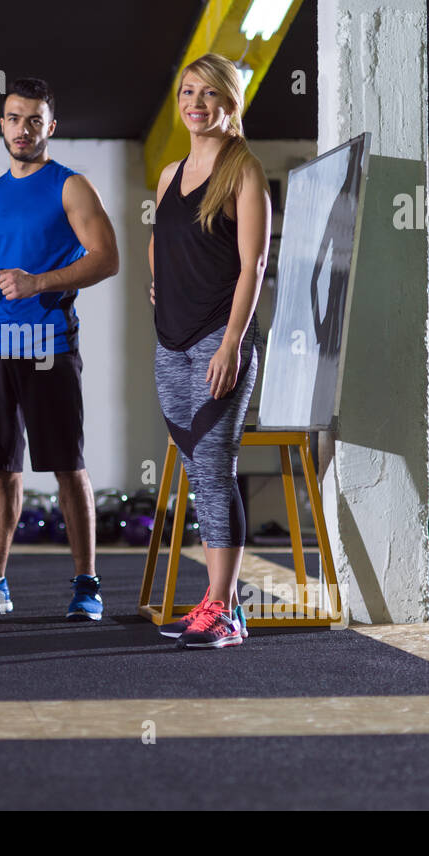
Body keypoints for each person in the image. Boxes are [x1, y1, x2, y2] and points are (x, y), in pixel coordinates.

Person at [0, 77, 119, 620]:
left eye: (34, 120)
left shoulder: (72, 186)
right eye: (14, 118)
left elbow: (107, 259)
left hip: (49, 345)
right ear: (2, 123)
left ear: (50, 127)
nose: (22, 128)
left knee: (66, 465)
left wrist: (38, 282)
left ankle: (87, 585)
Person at [150, 53, 271, 648]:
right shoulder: (169, 174)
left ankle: (224, 608)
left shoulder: (243, 171)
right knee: (200, 473)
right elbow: (161, 242)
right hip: (169, 345)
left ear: (230, 103)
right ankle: (213, 605)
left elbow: (254, 265)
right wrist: (160, 284)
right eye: (186, 93)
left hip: (217, 344)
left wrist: (231, 342)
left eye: (207, 94)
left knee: (216, 470)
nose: (195, 104)